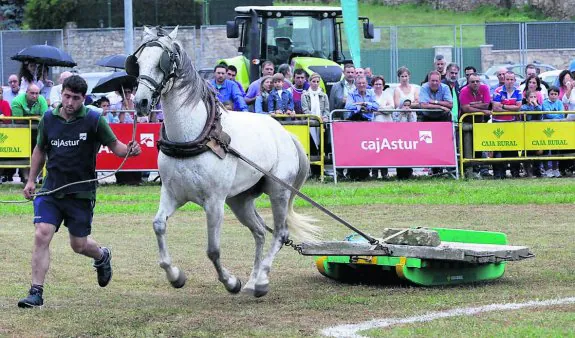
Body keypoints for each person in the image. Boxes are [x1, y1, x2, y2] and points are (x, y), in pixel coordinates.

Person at [17, 75, 142, 308]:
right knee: (42, 233)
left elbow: (116, 147)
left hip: (81, 193)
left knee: (79, 245)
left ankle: (102, 256)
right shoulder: (48, 118)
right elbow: (40, 149)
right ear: (61, 93)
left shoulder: (94, 119)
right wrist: (31, 180)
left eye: (75, 98)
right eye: (66, 96)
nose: (70, 102)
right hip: (52, 190)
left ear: (83, 99)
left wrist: (130, 150)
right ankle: (36, 292)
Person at [459, 73, 493, 178]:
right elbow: (465, 108)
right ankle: (467, 171)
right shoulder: (464, 91)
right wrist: (482, 109)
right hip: (466, 122)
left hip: (480, 123)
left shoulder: (485, 88)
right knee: (467, 147)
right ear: (468, 83)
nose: (475, 83)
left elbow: (487, 104)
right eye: (472, 81)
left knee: (479, 147)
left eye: (477, 81)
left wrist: (472, 105)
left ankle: (478, 170)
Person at [491, 71, 522, 179]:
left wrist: (503, 106)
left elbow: (518, 107)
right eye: (507, 79)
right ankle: (499, 173)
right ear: (504, 80)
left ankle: (515, 172)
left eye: (511, 79)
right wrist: (511, 107)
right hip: (498, 123)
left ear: (514, 80)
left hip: (512, 123)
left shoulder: (518, 91)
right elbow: (495, 107)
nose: (509, 81)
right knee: (498, 148)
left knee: (513, 148)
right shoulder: (497, 91)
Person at [301, 73, 330, 178]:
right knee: (311, 146)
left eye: (317, 82)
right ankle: (312, 170)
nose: (316, 84)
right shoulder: (305, 95)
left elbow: (326, 109)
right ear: (309, 82)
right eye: (313, 81)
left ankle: (321, 169)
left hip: (321, 123)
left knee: (322, 146)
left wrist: (324, 117)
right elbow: (305, 110)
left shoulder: (323, 95)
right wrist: (314, 117)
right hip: (310, 123)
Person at [520, 90, 544, 178]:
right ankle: (528, 172)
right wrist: (532, 107)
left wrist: (536, 105)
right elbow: (528, 117)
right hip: (526, 132)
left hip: (536, 132)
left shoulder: (538, 106)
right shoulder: (524, 107)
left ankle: (537, 171)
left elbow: (540, 114)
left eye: (534, 97)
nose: (533, 99)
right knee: (527, 152)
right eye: (531, 97)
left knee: (538, 151)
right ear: (526, 99)